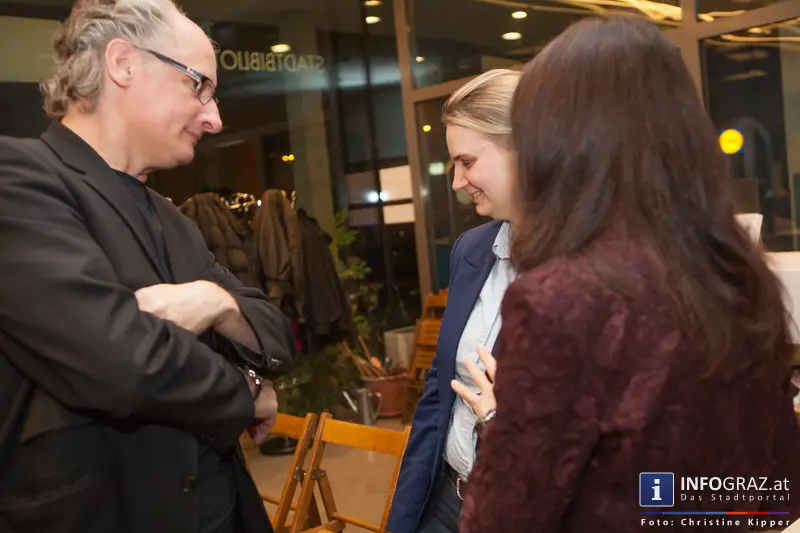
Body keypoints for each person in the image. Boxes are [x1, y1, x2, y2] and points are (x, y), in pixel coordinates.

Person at [460, 15, 800, 533]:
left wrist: (500, 421)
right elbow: (780, 490)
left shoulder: (558, 299)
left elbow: (505, 518)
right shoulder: (742, 279)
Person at [0, 1, 295, 533]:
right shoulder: (19, 179)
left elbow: (275, 336)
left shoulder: (171, 215)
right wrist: (248, 392)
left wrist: (217, 303)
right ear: (123, 64)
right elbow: (124, 364)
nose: (214, 116)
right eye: (198, 86)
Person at [386, 68, 519, 533]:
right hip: (446, 496)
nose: (458, 181)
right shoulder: (472, 250)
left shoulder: (590, 275)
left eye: (468, 161)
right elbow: (438, 394)